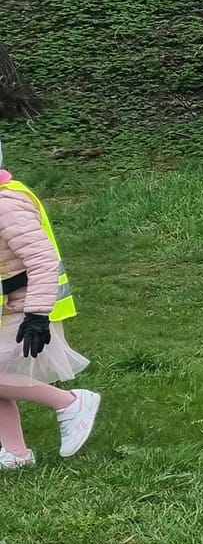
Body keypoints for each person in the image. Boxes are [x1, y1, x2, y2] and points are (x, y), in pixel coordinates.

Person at [0, 154, 101, 468]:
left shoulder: (6, 206)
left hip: (26, 308)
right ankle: (15, 454)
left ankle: (70, 402)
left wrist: (37, 315)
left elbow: (43, 260)